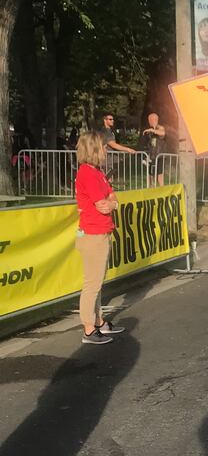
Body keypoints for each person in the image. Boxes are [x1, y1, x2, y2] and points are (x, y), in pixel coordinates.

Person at [74, 131, 125, 345]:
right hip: (93, 234)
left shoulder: (97, 172)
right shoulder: (88, 173)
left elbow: (112, 198)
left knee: (97, 283)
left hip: (100, 232)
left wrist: (112, 201)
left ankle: (98, 321)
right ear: (94, 149)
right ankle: (88, 328)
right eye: (103, 147)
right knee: (92, 283)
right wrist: (112, 202)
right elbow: (104, 205)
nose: (106, 150)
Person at [140, 111, 167, 186]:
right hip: (152, 156)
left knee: (159, 176)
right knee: (150, 175)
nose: (149, 121)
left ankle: (162, 192)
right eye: (149, 120)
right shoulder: (149, 130)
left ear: (155, 120)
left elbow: (163, 133)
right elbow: (150, 144)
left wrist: (152, 130)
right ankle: (151, 191)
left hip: (160, 156)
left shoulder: (160, 128)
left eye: (150, 120)